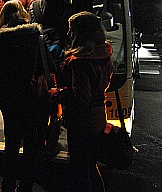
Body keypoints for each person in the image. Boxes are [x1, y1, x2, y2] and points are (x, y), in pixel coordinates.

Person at [0, 0, 51, 192]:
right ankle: (26, 184)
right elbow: (46, 67)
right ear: (23, 14)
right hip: (31, 96)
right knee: (31, 141)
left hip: (9, 98)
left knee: (11, 140)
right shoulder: (35, 37)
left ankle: (8, 183)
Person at [49, 11, 112, 192]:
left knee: (80, 168)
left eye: (71, 30)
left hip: (81, 122)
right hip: (98, 117)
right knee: (91, 165)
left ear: (80, 33)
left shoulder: (79, 61)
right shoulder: (104, 54)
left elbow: (81, 97)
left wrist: (56, 94)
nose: (68, 34)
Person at [30, 0, 73, 69]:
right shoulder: (72, 4)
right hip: (66, 51)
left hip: (43, 51)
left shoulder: (35, 4)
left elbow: (33, 27)